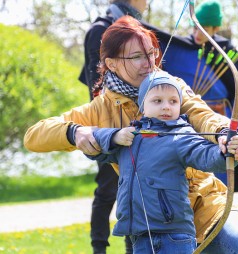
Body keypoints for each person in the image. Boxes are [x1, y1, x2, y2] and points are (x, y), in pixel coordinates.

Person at [24, 16, 238, 254]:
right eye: (137, 56)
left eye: (152, 53)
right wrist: (74, 131)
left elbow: (201, 113)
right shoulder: (99, 109)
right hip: (151, 222)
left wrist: (225, 133)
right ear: (111, 63)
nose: (149, 62)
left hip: (205, 204)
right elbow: (33, 136)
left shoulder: (169, 86)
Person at [85, 70, 238, 253]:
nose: (166, 107)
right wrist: (114, 137)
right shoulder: (129, 137)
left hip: (175, 235)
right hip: (140, 235)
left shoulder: (181, 136)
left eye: (173, 101)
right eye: (157, 101)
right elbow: (94, 149)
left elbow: (206, 155)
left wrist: (227, 152)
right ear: (142, 106)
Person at [159, 0, 238, 191]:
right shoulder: (181, 49)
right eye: (195, 28)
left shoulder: (227, 51)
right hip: (192, 120)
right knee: (194, 176)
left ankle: (220, 212)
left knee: (220, 172)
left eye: (203, 29)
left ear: (215, 28)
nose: (197, 34)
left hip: (222, 117)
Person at [78, 1, 148, 252]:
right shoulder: (100, 30)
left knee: (135, 193)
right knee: (108, 189)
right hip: (108, 128)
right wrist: (108, 132)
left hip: (136, 124)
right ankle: (99, 248)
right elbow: (97, 87)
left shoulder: (136, 28)